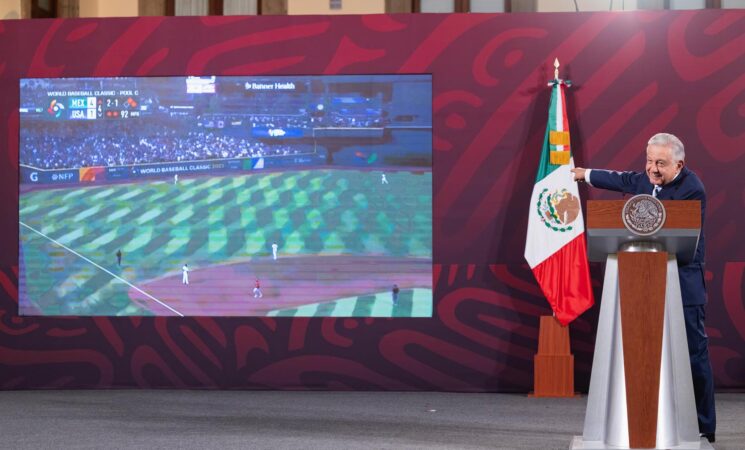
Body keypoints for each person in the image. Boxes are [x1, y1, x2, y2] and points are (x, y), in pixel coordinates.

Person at [571, 132, 716, 443]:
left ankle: (703, 425)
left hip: (682, 283)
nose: (652, 169)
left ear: (680, 164)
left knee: (693, 355)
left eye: (660, 163)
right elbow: (621, 179)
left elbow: (677, 229)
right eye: (649, 161)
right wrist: (584, 175)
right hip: (640, 284)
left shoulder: (693, 189)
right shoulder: (645, 180)